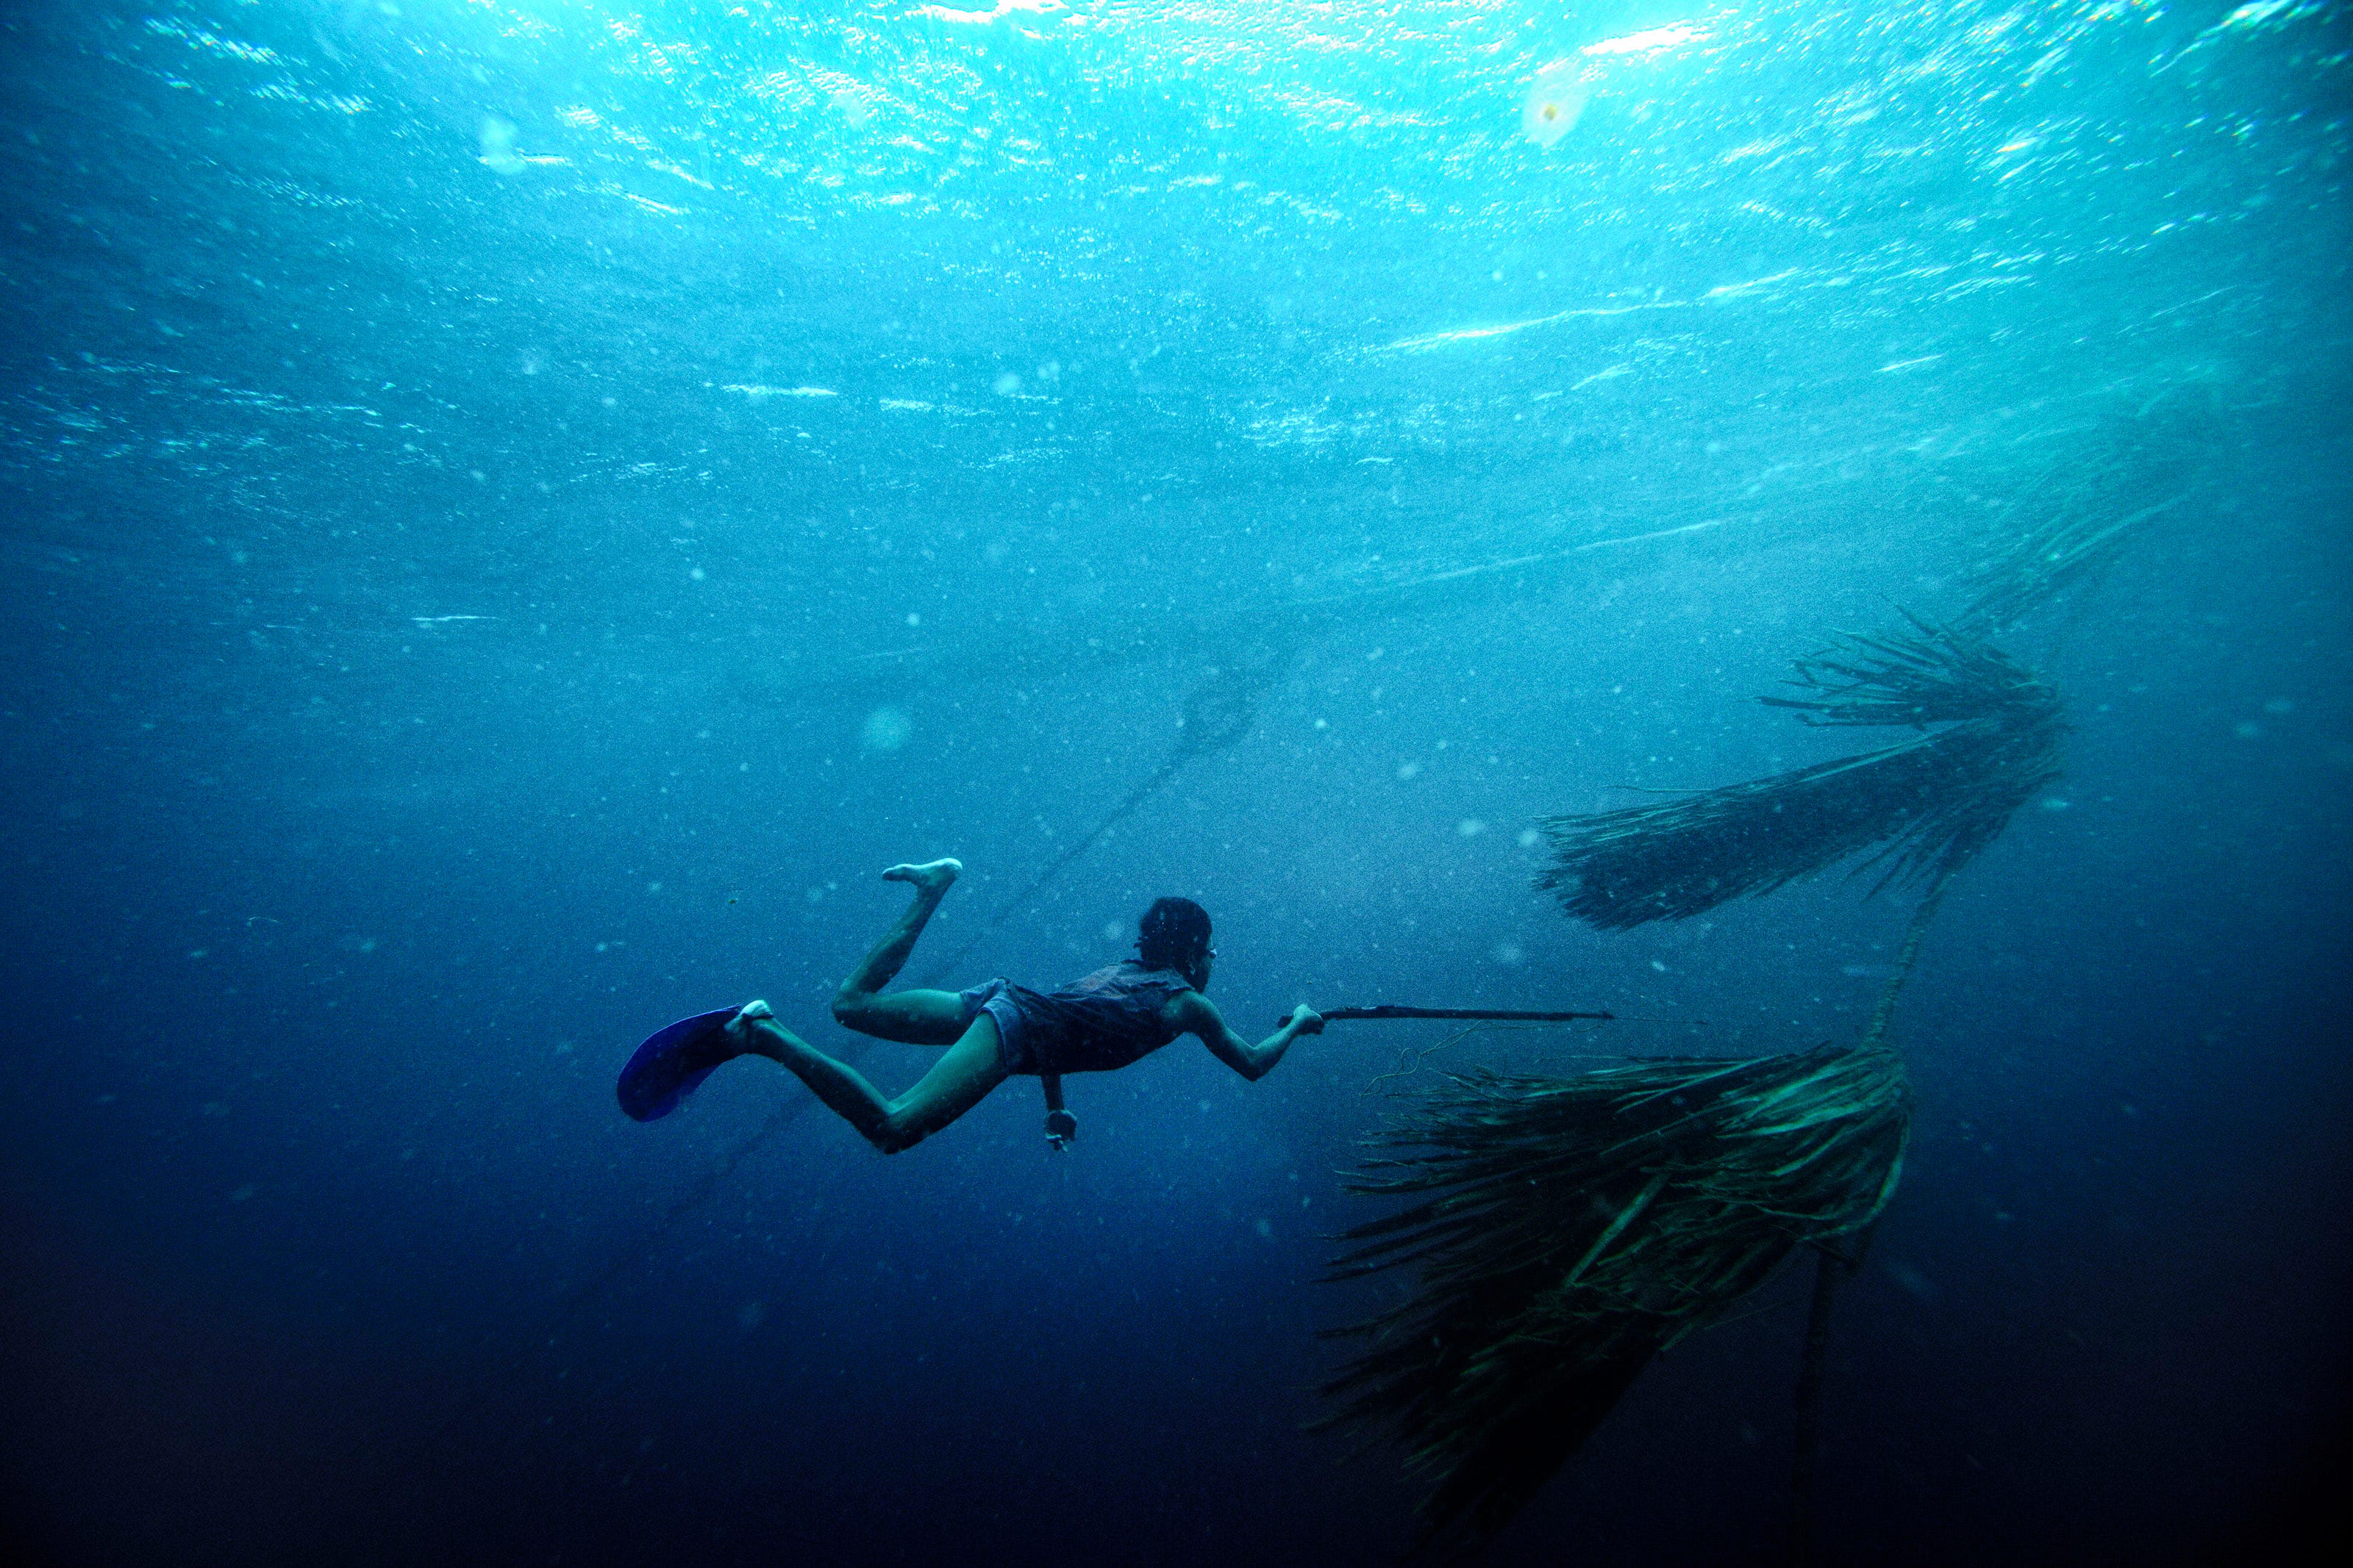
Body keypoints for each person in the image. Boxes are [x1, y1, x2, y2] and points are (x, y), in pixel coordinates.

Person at [718, 858, 1322, 1153]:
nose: (1214, 963)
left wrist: (1056, 1105)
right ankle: (763, 1033)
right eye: (1211, 952)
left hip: (1004, 1002)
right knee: (893, 1126)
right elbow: (1250, 1063)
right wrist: (1297, 1022)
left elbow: (1062, 1020)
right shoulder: (1186, 1003)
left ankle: (935, 886)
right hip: (1013, 1021)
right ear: (1193, 954)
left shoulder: (1121, 971)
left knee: (850, 1005)